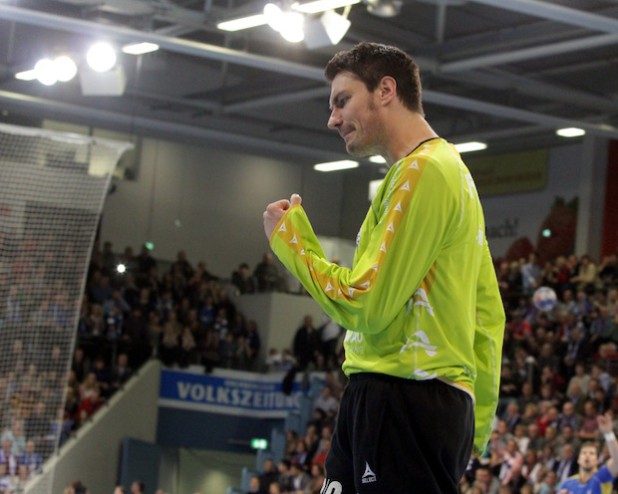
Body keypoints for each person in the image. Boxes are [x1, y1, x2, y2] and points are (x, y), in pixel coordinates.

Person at [262, 42, 505, 493]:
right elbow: (487, 312)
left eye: (342, 100)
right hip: (400, 396)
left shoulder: (424, 172)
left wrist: (291, 244)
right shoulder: (443, 172)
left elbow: (368, 304)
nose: (332, 118)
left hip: (404, 396)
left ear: (386, 90)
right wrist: (477, 420)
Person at [558, 412, 618, 493]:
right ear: (578, 459)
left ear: (597, 460)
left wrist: (608, 434)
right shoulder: (568, 483)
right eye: (584, 453)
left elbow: (616, 461)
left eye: (591, 453)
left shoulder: (601, 477)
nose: (587, 455)